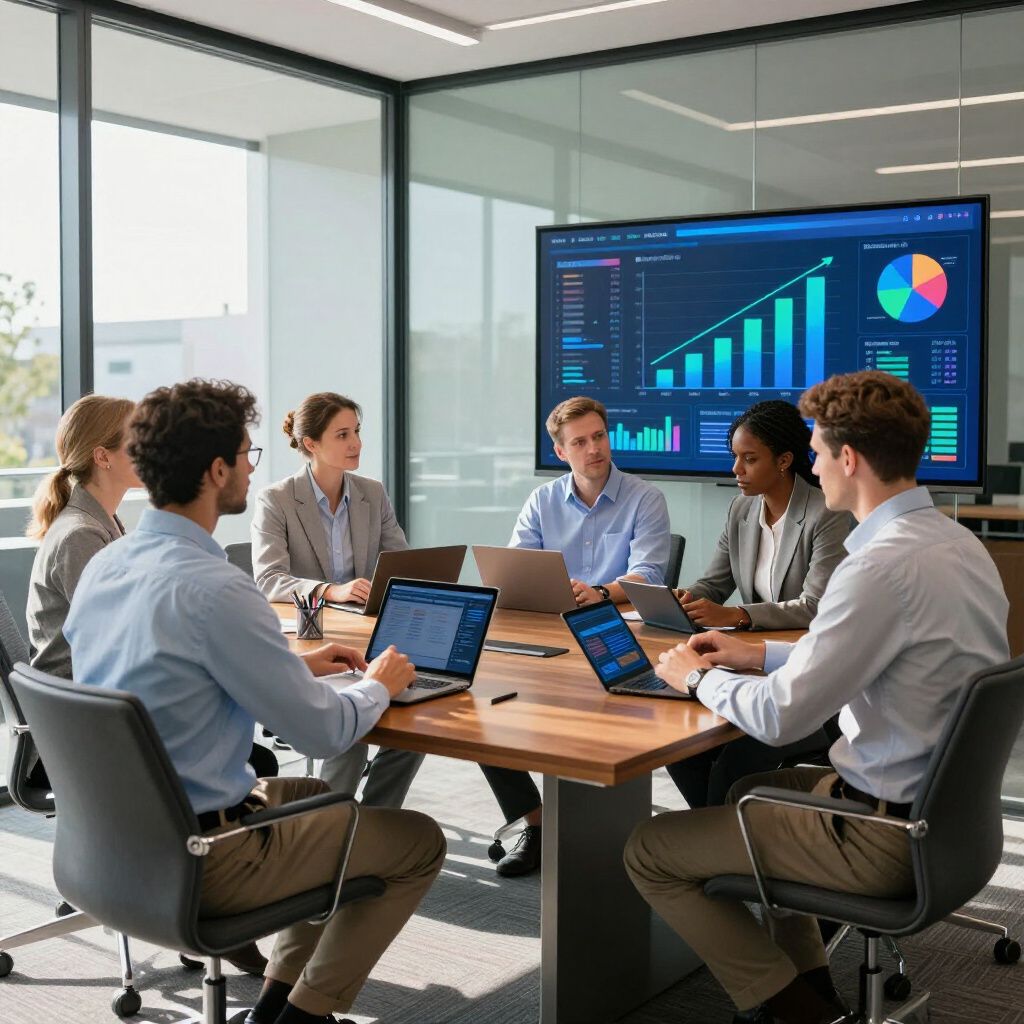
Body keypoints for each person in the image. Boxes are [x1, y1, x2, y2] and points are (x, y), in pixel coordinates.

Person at [624, 371, 1009, 1024]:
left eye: (819, 451)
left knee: (650, 852)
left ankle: (795, 1014)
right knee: (750, 794)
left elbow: (779, 717)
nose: (814, 464)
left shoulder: (877, 567)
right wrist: (753, 653)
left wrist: (697, 676)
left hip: (880, 834)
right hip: (946, 822)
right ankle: (814, 983)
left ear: (849, 459)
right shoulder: (957, 545)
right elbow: (866, 650)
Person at [64, 379, 445, 1024]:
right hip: (203, 857)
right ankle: (307, 1017)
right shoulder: (218, 589)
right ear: (217, 470)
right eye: (247, 453)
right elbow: (326, 734)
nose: (250, 465)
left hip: (109, 843)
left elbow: (171, 668)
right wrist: (380, 680)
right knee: (416, 842)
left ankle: (275, 1003)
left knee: (324, 803)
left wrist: (292, 662)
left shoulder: (108, 565)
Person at [484, 395, 671, 877]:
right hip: (549, 632)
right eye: (580, 442)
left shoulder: (644, 497)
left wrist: (600, 592)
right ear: (561, 451)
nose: (594, 449)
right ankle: (536, 820)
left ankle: (608, 829)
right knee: (480, 708)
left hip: (614, 632)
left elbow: (648, 572)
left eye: (599, 437)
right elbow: (516, 568)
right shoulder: (542, 501)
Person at [665, 400, 851, 809]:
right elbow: (714, 584)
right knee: (680, 744)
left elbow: (816, 605)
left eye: (749, 459)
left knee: (736, 758)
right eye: (735, 458)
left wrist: (739, 615)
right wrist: (684, 600)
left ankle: (716, 843)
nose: (736, 471)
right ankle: (716, 834)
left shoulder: (827, 514)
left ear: (784, 460)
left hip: (804, 675)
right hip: (746, 666)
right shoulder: (741, 509)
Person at [251, 392, 422, 807]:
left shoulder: (371, 493)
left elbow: (400, 562)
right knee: (349, 724)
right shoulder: (277, 499)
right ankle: (329, 826)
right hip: (317, 641)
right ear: (311, 443)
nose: (356, 444)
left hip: (371, 631)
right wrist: (332, 590)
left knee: (417, 716)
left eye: (357, 432)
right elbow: (269, 579)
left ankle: (375, 818)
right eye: (342, 434)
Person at [26, 395, 138, 681]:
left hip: (95, 686)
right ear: (102, 457)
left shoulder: (101, 521)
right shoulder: (81, 535)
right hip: (80, 700)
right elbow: (111, 636)